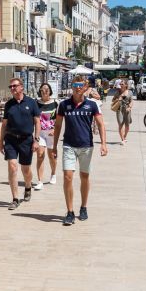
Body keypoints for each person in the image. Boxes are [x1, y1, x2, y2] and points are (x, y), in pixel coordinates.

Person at [53, 78, 107, 225]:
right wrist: (54, 146)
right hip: (69, 145)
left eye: (81, 86)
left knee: (84, 177)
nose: (78, 88)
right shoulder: (64, 105)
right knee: (67, 176)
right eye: (75, 85)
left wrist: (103, 144)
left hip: (86, 146)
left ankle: (83, 207)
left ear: (85, 88)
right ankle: (70, 212)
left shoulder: (92, 105)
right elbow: (57, 126)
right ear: (72, 87)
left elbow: (101, 124)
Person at [1, 77, 42, 209]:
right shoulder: (9, 105)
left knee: (26, 170)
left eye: (14, 86)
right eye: (10, 87)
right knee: (12, 166)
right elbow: (4, 124)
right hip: (11, 139)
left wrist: (36, 140)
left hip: (26, 140)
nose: (12, 89)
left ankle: (28, 186)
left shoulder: (31, 102)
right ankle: (15, 198)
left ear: (21, 87)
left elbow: (37, 122)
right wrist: (0, 141)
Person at [33, 83, 59, 188]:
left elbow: (59, 119)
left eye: (47, 89)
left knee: (51, 156)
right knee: (40, 155)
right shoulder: (36, 103)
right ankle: (40, 181)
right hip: (40, 133)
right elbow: (33, 118)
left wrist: (55, 129)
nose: (45, 91)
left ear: (50, 91)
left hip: (52, 133)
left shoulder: (56, 103)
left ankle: (53, 173)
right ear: (40, 91)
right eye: (43, 89)